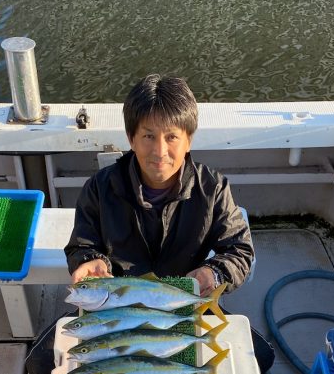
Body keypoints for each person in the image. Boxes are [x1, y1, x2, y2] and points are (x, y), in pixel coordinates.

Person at [64, 73, 254, 298]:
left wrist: (214, 273)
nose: (160, 151)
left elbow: (240, 251)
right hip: (119, 299)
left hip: (183, 299)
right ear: (131, 138)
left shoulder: (213, 189)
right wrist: (90, 261)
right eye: (148, 136)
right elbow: (82, 245)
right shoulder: (99, 188)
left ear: (189, 141)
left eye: (172, 137)